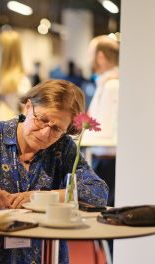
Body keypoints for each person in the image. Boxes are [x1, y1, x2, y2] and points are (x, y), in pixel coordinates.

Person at [0, 79, 108, 264]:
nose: (44, 134)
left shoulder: (63, 148)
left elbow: (98, 191)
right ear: (28, 107)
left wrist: (43, 198)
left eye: (56, 129)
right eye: (42, 120)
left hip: (45, 255)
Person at [81, 35, 119, 207]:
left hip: (106, 159)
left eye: (90, 53)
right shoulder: (106, 83)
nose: (88, 59)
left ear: (101, 56)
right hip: (102, 157)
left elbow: (104, 128)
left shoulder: (112, 85)